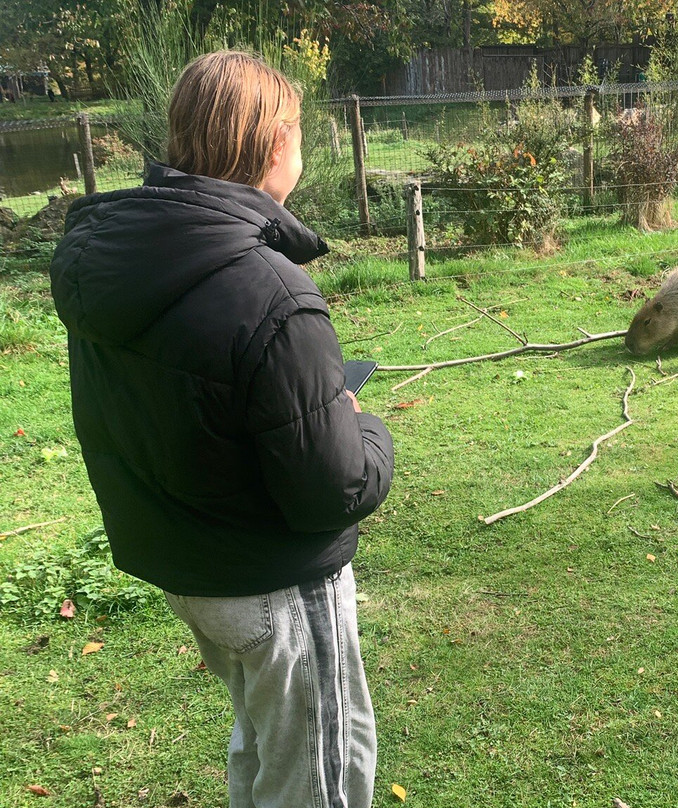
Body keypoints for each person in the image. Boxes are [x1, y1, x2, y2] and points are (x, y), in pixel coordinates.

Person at [50, 50, 393, 808]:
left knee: (266, 741)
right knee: (317, 772)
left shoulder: (107, 262)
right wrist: (368, 431)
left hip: (189, 571)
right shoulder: (273, 291)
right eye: (299, 132)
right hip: (273, 581)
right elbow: (331, 488)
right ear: (275, 145)